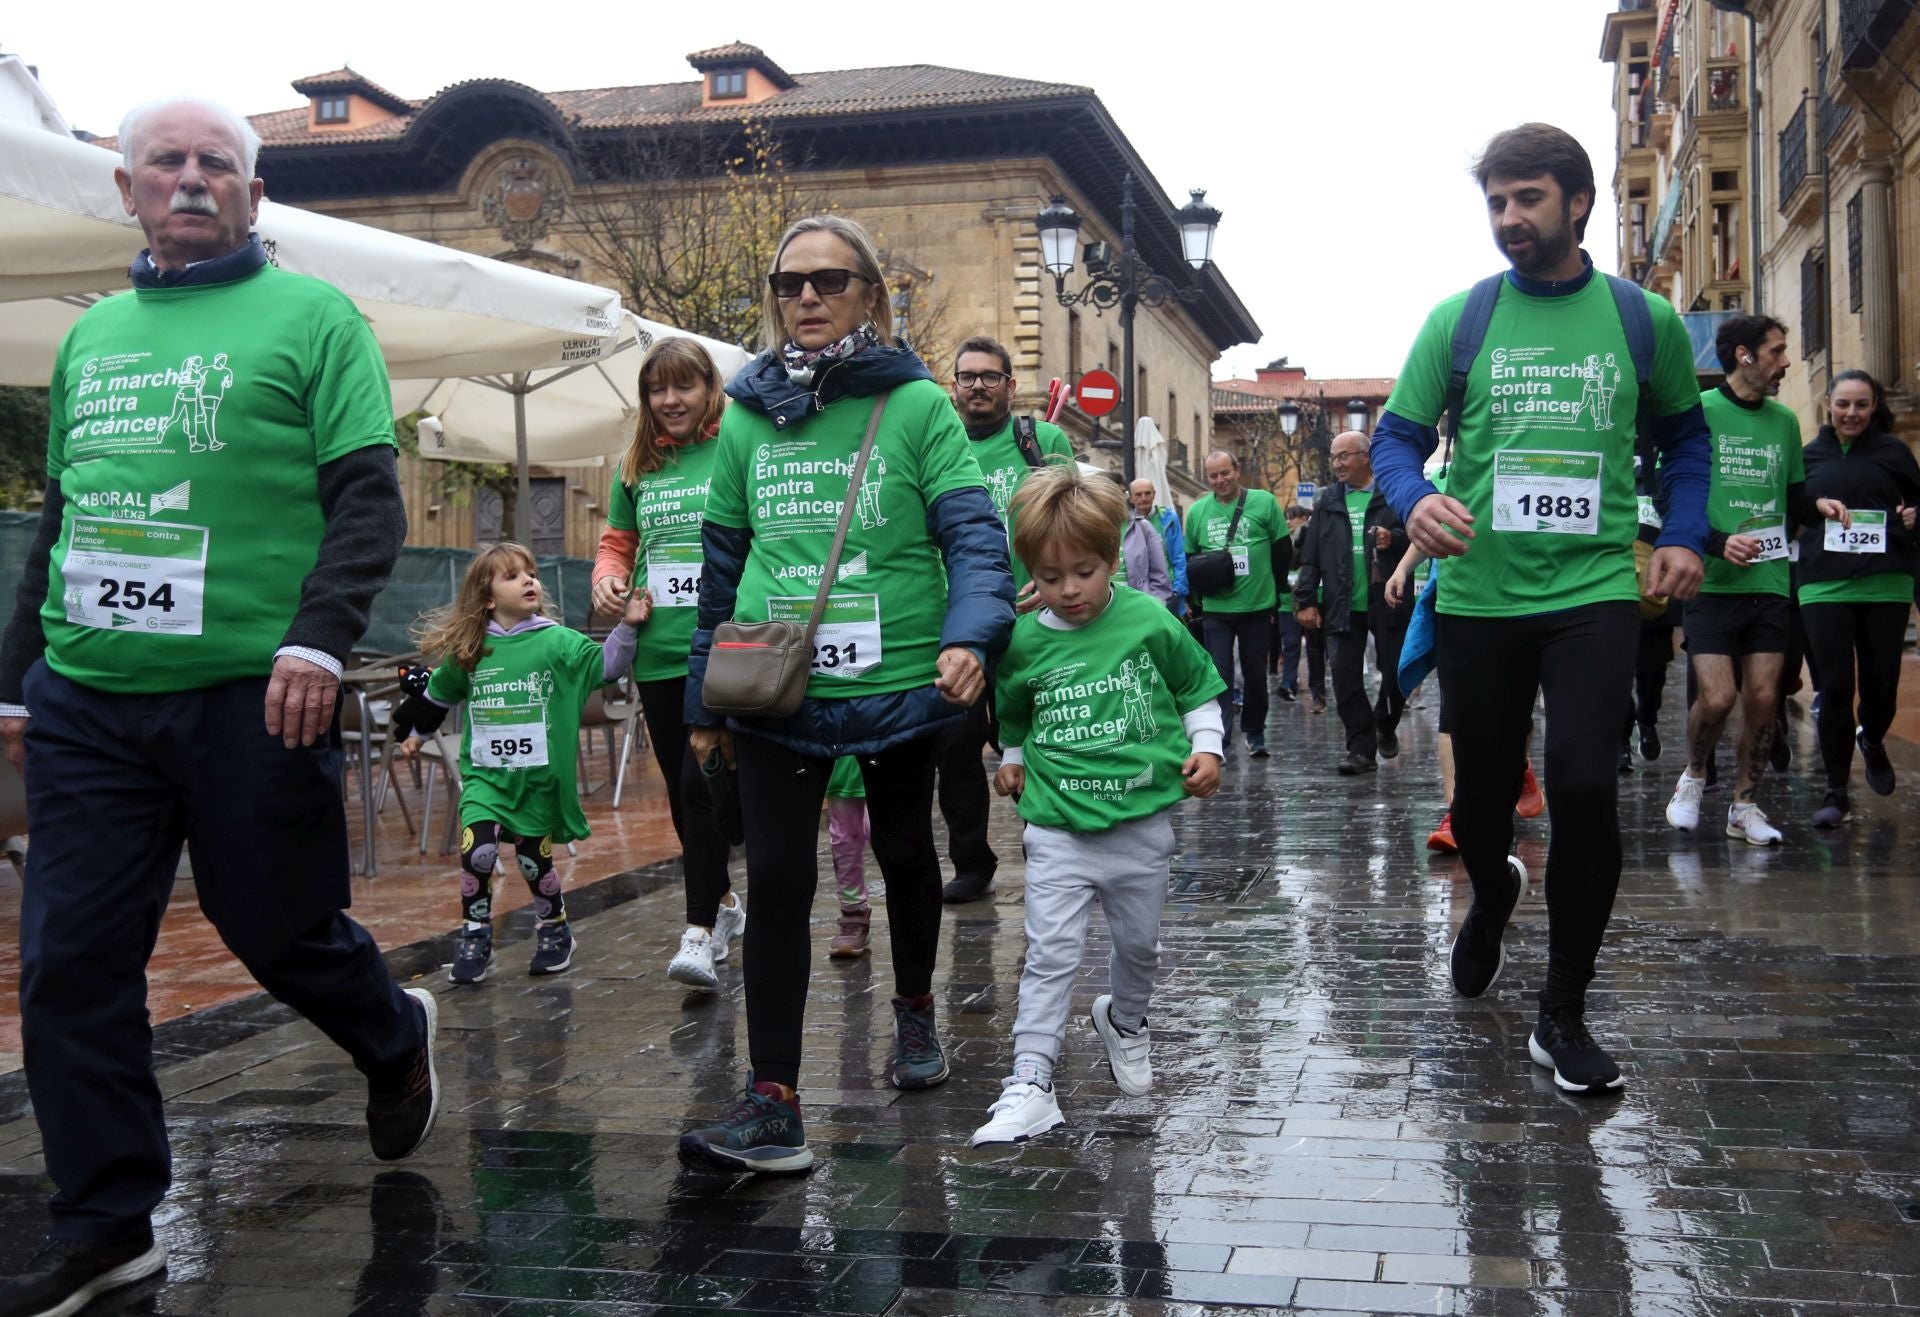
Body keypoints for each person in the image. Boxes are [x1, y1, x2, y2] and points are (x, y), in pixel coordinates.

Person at [0, 98, 437, 1316]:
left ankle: (393, 1033)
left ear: (252, 192)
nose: (190, 182)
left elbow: (367, 504)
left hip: (257, 694)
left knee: (279, 933)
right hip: (89, 698)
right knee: (70, 961)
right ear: (128, 188)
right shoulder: (94, 340)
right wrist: (10, 684)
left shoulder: (315, 317)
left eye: (215, 166)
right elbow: (62, 520)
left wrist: (316, 638)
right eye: (166, 165)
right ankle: (106, 1224)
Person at [1372, 123, 1710, 1096]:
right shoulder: (1461, 321)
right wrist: (1412, 497)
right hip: (1479, 595)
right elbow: (1397, 441)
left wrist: (1684, 534)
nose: (1510, 219)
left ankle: (1562, 1011)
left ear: (1577, 202)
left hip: (1594, 591)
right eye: (1497, 203)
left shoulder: (1640, 321)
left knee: (1582, 786)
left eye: (1527, 199)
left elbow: (1687, 443)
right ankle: (1490, 895)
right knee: (1480, 800)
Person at [676, 215, 1014, 1173]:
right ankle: (773, 1100)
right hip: (776, 682)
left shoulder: (916, 407)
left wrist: (969, 636)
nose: (809, 298)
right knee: (781, 880)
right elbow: (721, 563)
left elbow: (973, 539)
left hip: (904, 679)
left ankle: (913, 1012)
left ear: (871, 292)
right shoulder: (744, 413)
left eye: (831, 281)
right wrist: (705, 701)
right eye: (791, 284)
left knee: (909, 854)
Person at [969, 465, 1223, 1145]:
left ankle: (1127, 1020)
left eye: (1083, 571)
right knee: (1049, 951)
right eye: (1050, 577)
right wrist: (1014, 758)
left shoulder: (1146, 618)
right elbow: (1014, 710)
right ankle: (1030, 1077)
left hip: (1141, 821)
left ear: (1113, 558)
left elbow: (1197, 685)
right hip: (1057, 824)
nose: (1069, 590)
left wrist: (1210, 747)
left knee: (1138, 946)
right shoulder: (1024, 639)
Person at [391, 544, 648, 980]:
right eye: (513, 576)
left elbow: (607, 666)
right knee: (479, 851)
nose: (529, 580)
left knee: (534, 863)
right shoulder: (472, 649)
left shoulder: (555, 640)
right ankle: (474, 933)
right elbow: (438, 693)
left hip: (536, 783)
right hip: (485, 779)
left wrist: (627, 625)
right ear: (488, 597)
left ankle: (554, 926)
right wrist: (415, 734)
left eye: (531, 573)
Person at [590, 337, 745, 989]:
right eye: (657, 389)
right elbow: (617, 542)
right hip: (655, 651)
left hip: (723, 647)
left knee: (697, 784)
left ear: (709, 387)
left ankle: (699, 935)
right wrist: (609, 577)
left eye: (683, 386)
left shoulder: (737, 443)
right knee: (689, 808)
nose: (670, 400)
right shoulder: (637, 464)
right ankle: (727, 907)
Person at [1664, 317, 1848, 844]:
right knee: (1719, 697)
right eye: (1777, 352)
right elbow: (1669, 494)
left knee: (1764, 698)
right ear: (1744, 356)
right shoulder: (1699, 413)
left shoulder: (1785, 422)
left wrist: (1819, 506)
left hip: (1769, 580)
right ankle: (1694, 776)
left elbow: (1793, 498)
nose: (1786, 363)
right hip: (1711, 579)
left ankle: (1745, 806)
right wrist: (1719, 542)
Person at [937, 337, 1071, 904]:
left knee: (1036, 740)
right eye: (967, 377)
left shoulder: (1041, 441)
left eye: (991, 377)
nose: (978, 386)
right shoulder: (935, 446)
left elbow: (1073, 517)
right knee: (955, 747)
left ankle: (1044, 843)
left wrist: (1051, 584)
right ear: (954, 387)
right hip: (959, 627)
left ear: (1010, 387)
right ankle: (972, 861)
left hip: (1031, 621)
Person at [1794, 369, 1920, 827]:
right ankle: (1836, 791)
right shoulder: (1807, 457)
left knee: (1881, 684)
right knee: (1835, 686)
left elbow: (1917, 503)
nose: (1852, 413)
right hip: (1823, 583)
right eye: (1843, 404)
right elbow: (1791, 509)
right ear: (1828, 403)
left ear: (1874, 406)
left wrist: (1913, 515)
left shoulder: (1894, 451)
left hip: (1886, 580)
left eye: (1861, 405)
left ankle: (1872, 736)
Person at [1295, 432, 1412, 774]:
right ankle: (1361, 750)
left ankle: (1384, 722)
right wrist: (1305, 600)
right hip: (1340, 603)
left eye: (1344, 456)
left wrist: (1395, 540)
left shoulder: (1392, 494)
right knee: (1345, 679)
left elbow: (1418, 540)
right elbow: (1311, 555)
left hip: (1388, 601)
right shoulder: (1328, 501)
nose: (1337, 464)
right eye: (1334, 457)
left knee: (1395, 672)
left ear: (1366, 457)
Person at [1185, 450, 1286, 756]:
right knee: (1220, 676)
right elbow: (1190, 559)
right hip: (1217, 609)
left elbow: (1282, 551)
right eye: (1213, 476)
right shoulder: (1197, 512)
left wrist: (1278, 595)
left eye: (1225, 473)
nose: (1220, 481)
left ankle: (1255, 732)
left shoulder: (1264, 502)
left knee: (1256, 676)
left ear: (1237, 470)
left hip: (1257, 606)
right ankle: (1220, 738)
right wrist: (1196, 601)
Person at [825, 757, 874, 958]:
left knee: (893, 836)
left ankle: (910, 909)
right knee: (844, 838)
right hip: (842, 753)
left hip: (886, 744)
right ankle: (853, 911)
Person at [1129, 479, 1190, 617]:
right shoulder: (1125, 523)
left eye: (1147, 493)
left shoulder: (1169, 519)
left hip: (1168, 596)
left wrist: (1176, 592)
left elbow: (1179, 558)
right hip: (1137, 597)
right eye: (1138, 494)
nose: (1143, 498)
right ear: (1131, 497)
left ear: (1154, 494)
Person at [1120, 491, 1174, 605]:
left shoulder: (1142, 526)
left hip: (1137, 607)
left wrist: (1156, 603)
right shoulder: (1091, 529)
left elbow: (1160, 572)